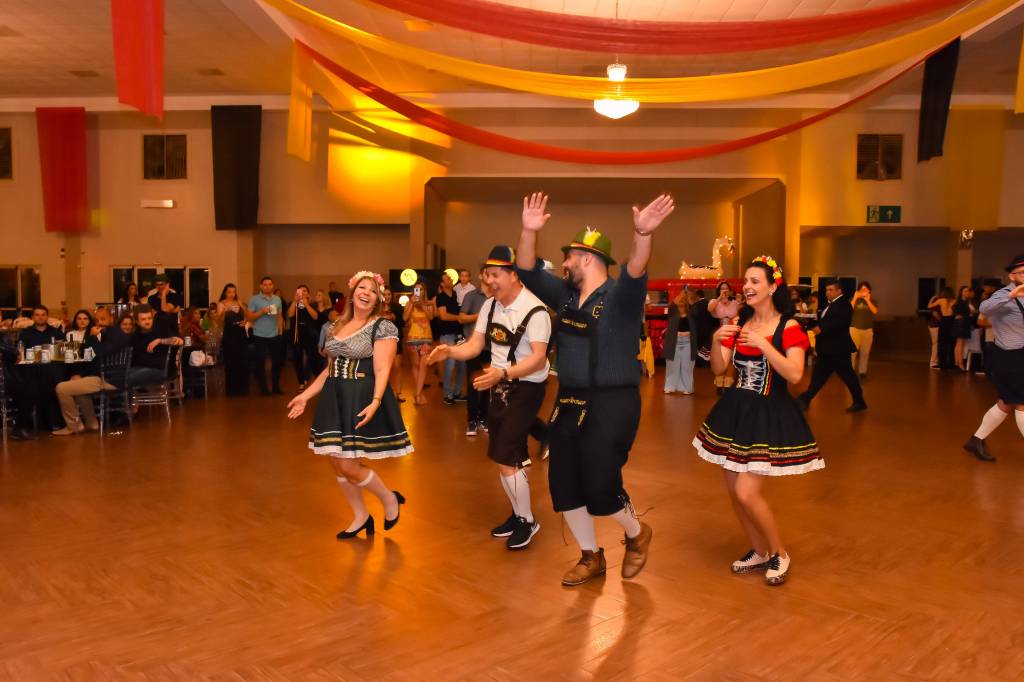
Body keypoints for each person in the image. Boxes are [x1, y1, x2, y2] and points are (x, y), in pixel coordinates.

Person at [515, 192, 675, 587]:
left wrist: (642, 234)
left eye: (569, 257)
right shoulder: (566, 295)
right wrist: (528, 231)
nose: (564, 264)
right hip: (570, 400)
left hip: (612, 401)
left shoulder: (621, 297)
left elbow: (636, 267)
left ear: (587, 258)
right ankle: (591, 556)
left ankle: (637, 533)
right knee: (564, 482)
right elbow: (527, 270)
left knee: (602, 483)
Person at [694, 256, 822, 586]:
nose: (747, 287)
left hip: (768, 412)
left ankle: (780, 552)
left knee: (747, 492)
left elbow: (795, 374)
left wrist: (765, 344)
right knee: (734, 492)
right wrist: (718, 340)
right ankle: (759, 550)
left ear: (772, 287)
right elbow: (720, 369)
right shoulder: (741, 323)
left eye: (755, 281)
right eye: (746, 281)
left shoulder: (789, 328)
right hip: (736, 412)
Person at [430, 247, 551, 550]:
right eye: (487, 275)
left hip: (527, 387)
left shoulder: (536, 311)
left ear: (514, 275)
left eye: (496, 275)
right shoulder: (490, 306)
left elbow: (538, 359)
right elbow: (474, 345)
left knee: (506, 457)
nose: (489, 281)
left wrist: (503, 373)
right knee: (503, 457)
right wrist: (449, 351)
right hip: (499, 383)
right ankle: (518, 514)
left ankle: (527, 520)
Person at [287, 271, 412, 539]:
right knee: (337, 461)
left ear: (378, 299)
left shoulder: (382, 326)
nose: (367, 293)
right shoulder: (336, 325)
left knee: (348, 465)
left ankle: (389, 498)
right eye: (362, 288)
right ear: (352, 293)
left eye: (373, 291)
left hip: (360, 394)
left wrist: (376, 401)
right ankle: (361, 516)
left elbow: (383, 368)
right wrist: (305, 396)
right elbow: (330, 369)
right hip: (335, 396)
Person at [963, 254, 1024, 462]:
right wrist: (1012, 295)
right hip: (1008, 357)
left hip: (1020, 356)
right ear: (1011, 276)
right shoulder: (1003, 294)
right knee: (1021, 402)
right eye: (1021, 272)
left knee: (1006, 403)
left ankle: (976, 440)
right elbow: (984, 308)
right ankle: (976, 440)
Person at [53, 308, 131, 435]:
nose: (99, 323)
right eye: (97, 320)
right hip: (104, 376)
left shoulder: (115, 334)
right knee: (78, 390)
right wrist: (82, 375)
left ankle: (74, 426)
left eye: (103, 319)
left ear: (111, 319)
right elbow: (90, 355)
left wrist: (93, 337)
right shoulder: (108, 333)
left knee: (61, 388)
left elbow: (101, 354)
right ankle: (92, 423)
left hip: (109, 380)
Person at [798, 280, 867, 413]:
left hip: (838, 349)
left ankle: (805, 399)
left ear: (839, 291)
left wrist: (817, 327)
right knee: (822, 376)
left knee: (845, 377)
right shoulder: (831, 305)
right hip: (829, 349)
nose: (827, 292)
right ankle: (805, 399)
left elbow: (834, 324)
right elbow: (824, 322)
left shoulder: (844, 305)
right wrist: (811, 323)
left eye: (830, 290)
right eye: (826, 290)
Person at [459, 270, 490, 435]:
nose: (490, 276)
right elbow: (462, 318)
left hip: (491, 348)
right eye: (487, 273)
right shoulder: (471, 295)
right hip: (472, 346)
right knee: (473, 384)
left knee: (488, 384)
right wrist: (482, 315)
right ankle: (471, 421)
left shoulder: (497, 296)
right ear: (480, 276)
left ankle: (484, 418)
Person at [128, 305, 183, 388]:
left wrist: (160, 341)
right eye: (143, 319)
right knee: (120, 375)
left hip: (160, 370)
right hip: (140, 369)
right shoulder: (135, 336)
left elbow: (179, 341)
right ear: (137, 321)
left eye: (149, 318)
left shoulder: (160, 330)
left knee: (125, 377)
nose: (147, 321)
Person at [247, 277, 284, 395]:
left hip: (275, 334)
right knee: (260, 362)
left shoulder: (277, 299)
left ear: (273, 285)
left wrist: (280, 331)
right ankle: (263, 388)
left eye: (270, 284)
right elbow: (249, 317)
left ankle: (276, 386)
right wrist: (262, 312)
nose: (268, 286)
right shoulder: (254, 299)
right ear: (261, 286)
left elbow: (279, 316)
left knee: (277, 361)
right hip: (259, 334)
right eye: (265, 284)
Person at [434, 273, 466, 405]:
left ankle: (457, 392)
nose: (451, 279)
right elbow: (443, 316)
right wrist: (459, 318)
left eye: (450, 278)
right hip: (447, 335)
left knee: (462, 364)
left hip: (459, 335)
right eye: (447, 279)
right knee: (450, 365)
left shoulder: (456, 294)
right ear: (442, 284)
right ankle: (447, 394)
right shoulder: (440, 297)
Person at [403, 280, 435, 405]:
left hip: (426, 338)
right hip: (412, 338)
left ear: (424, 291)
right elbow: (405, 317)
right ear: (413, 291)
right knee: (415, 365)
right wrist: (412, 303)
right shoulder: (409, 303)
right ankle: (419, 394)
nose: (419, 292)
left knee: (423, 366)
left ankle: (417, 394)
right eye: (416, 289)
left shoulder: (428, 303)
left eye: (421, 289)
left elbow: (431, 317)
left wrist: (422, 305)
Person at [664, 287, 699, 395]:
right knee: (672, 366)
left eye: (684, 300)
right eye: (680, 299)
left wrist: (689, 297)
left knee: (687, 366)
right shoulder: (672, 311)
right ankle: (670, 387)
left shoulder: (692, 312)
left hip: (688, 342)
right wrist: (682, 293)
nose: (681, 301)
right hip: (674, 342)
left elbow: (695, 309)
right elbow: (673, 303)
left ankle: (687, 388)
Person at [288, 285, 322, 391]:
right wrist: (295, 301)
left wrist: (306, 305)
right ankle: (301, 382)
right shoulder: (293, 303)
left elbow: (315, 317)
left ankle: (318, 379)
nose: (302, 293)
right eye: (300, 291)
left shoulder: (313, 304)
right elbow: (290, 315)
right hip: (297, 335)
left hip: (310, 335)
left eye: (305, 291)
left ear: (308, 293)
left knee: (313, 358)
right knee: (297, 359)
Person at [217, 284, 250, 396]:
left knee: (243, 360)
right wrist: (225, 310)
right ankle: (232, 389)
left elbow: (247, 314)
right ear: (225, 293)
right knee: (231, 361)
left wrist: (245, 321)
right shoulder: (221, 303)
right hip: (229, 334)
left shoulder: (239, 302)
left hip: (240, 333)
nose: (232, 294)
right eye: (229, 292)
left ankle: (243, 388)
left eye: (233, 292)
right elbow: (219, 320)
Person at [708, 281, 740, 393]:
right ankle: (719, 383)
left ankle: (728, 383)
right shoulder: (715, 302)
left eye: (726, 288)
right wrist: (719, 298)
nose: (724, 290)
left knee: (731, 358)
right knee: (720, 358)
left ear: (730, 290)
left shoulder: (735, 303)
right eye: (722, 288)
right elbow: (710, 309)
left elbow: (741, 314)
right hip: (721, 333)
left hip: (733, 332)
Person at [380, 286, 405, 403]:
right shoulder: (377, 307)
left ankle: (398, 393)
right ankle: (385, 393)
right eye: (384, 294)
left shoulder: (397, 307)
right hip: (381, 341)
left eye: (389, 294)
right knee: (384, 369)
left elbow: (402, 323)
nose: (387, 297)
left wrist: (394, 317)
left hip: (395, 339)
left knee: (397, 366)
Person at [849, 282, 878, 379]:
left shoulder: (872, 300)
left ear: (869, 291)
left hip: (868, 330)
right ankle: (850, 371)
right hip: (854, 329)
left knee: (865, 352)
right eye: (861, 289)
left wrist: (868, 300)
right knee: (852, 352)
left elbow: (875, 311)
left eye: (865, 289)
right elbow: (849, 310)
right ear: (858, 291)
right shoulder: (854, 300)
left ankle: (862, 371)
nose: (863, 291)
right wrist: (855, 297)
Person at [929, 288, 956, 370]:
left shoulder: (941, 300)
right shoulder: (955, 301)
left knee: (942, 343)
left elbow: (929, 306)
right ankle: (951, 363)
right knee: (952, 343)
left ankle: (942, 364)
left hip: (943, 321)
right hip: (951, 321)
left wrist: (932, 299)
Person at [952, 286, 977, 372]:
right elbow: (955, 309)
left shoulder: (966, 302)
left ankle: (957, 362)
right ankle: (959, 363)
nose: (966, 292)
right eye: (964, 291)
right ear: (961, 292)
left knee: (960, 344)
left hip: (964, 323)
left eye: (967, 291)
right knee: (960, 343)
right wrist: (961, 314)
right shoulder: (960, 301)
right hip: (961, 324)